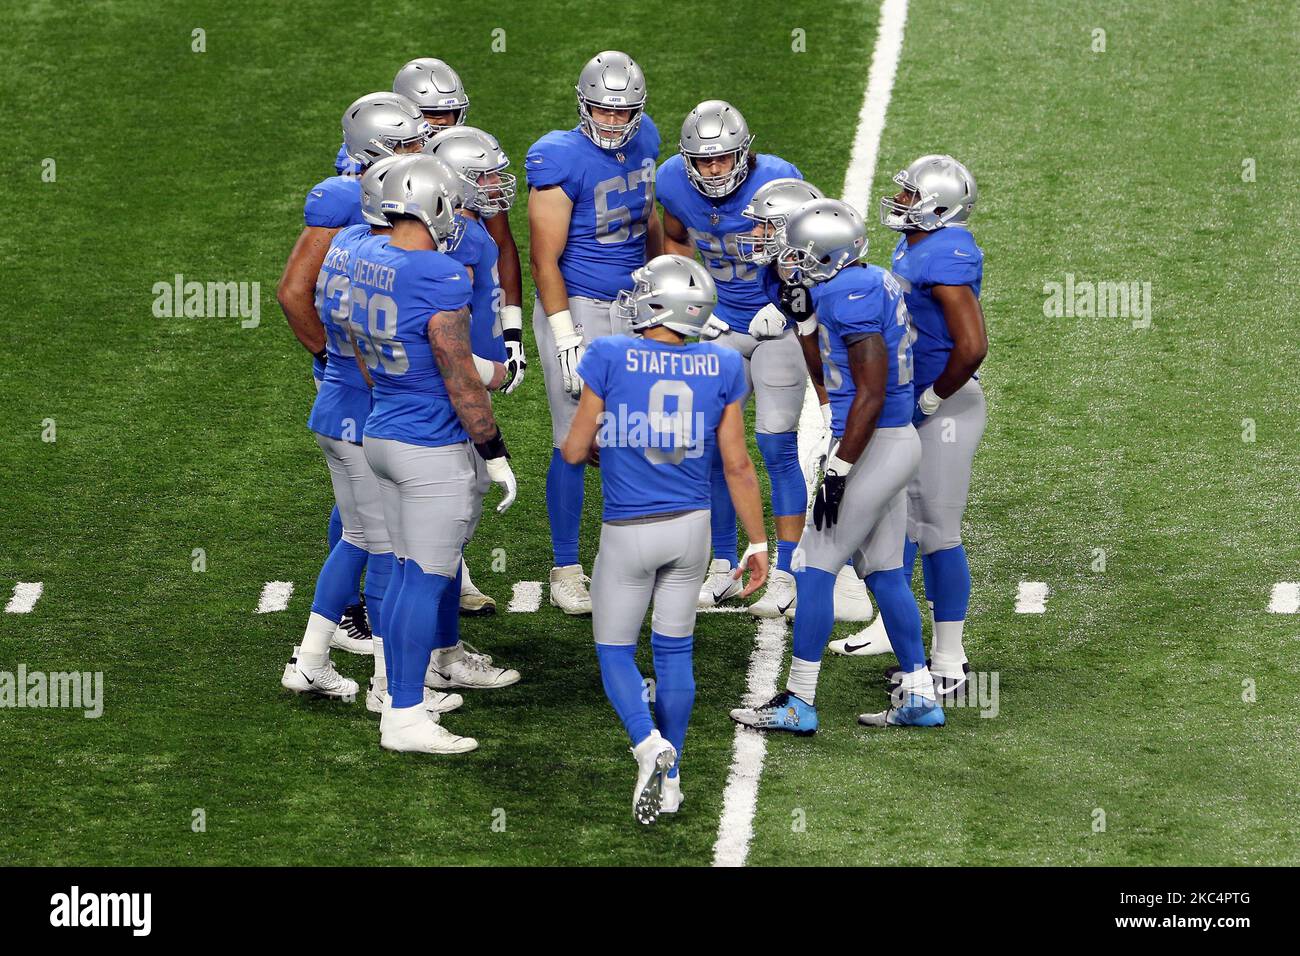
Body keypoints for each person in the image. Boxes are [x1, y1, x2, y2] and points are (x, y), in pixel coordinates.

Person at [561, 255, 768, 823]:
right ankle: (672, 781)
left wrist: (608, 437)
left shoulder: (606, 354)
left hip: (629, 529)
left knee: (615, 652)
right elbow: (738, 466)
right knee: (675, 653)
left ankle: (647, 745)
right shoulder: (724, 363)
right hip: (693, 530)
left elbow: (576, 451)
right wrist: (756, 543)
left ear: (658, 303)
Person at [729, 199, 942, 734]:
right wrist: (801, 319)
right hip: (886, 442)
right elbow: (831, 362)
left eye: (800, 253)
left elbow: (869, 391)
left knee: (812, 565)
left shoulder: (850, 298)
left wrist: (842, 467)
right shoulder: (862, 282)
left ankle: (798, 701)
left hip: (872, 444)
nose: (791, 261)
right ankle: (918, 695)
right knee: (887, 573)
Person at [353, 155, 518, 753]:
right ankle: (404, 717)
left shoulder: (359, 254)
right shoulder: (437, 275)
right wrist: (493, 450)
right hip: (430, 445)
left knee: (402, 575)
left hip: (382, 430)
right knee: (424, 581)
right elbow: (456, 371)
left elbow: (355, 344)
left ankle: (400, 700)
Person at [279, 92, 429, 656]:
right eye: (407, 143)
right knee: (370, 515)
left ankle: (341, 626)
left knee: (366, 513)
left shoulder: (385, 196)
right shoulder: (346, 201)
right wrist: (333, 358)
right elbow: (295, 292)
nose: (422, 149)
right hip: (359, 377)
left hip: (366, 370)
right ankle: (360, 628)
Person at [527, 50, 662, 614]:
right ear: (583, 106)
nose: (612, 121)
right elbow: (544, 260)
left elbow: (650, 217)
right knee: (574, 440)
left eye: (623, 111)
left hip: (633, 305)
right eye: (602, 111)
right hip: (577, 304)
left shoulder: (648, 137)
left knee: (633, 434)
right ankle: (565, 568)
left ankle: (629, 555)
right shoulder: (558, 158)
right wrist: (565, 337)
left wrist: (660, 289)